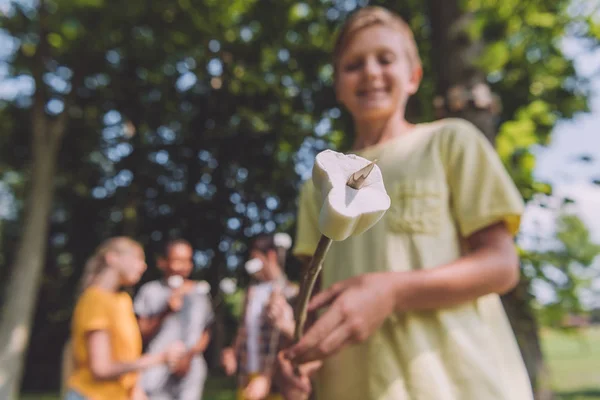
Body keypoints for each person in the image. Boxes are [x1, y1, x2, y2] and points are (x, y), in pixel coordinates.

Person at [276, 6, 534, 400]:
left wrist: (392, 292)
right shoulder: (317, 182)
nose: (371, 73)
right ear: (338, 85)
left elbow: (501, 266)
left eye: (386, 59)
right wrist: (299, 351)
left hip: (455, 383)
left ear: (413, 76)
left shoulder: (449, 142)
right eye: (353, 64)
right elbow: (316, 295)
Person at [65, 237, 185, 400]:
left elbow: (127, 361)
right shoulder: (94, 300)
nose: (143, 266)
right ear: (112, 258)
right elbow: (101, 369)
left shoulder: (123, 301)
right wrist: (160, 358)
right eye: (137, 258)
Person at [134, 239, 214, 400]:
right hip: (155, 367)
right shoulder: (149, 291)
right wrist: (166, 311)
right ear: (163, 262)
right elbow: (139, 334)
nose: (183, 267)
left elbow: (206, 331)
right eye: (177, 260)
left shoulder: (200, 293)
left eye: (187, 261)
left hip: (191, 367)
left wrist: (188, 357)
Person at [221, 233, 298, 400]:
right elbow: (244, 329)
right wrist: (232, 352)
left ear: (270, 256)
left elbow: (290, 341)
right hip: (247, 376)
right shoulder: (252, 293)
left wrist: (267, 377)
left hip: (275, 383)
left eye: (255, 258)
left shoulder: (290, 292)